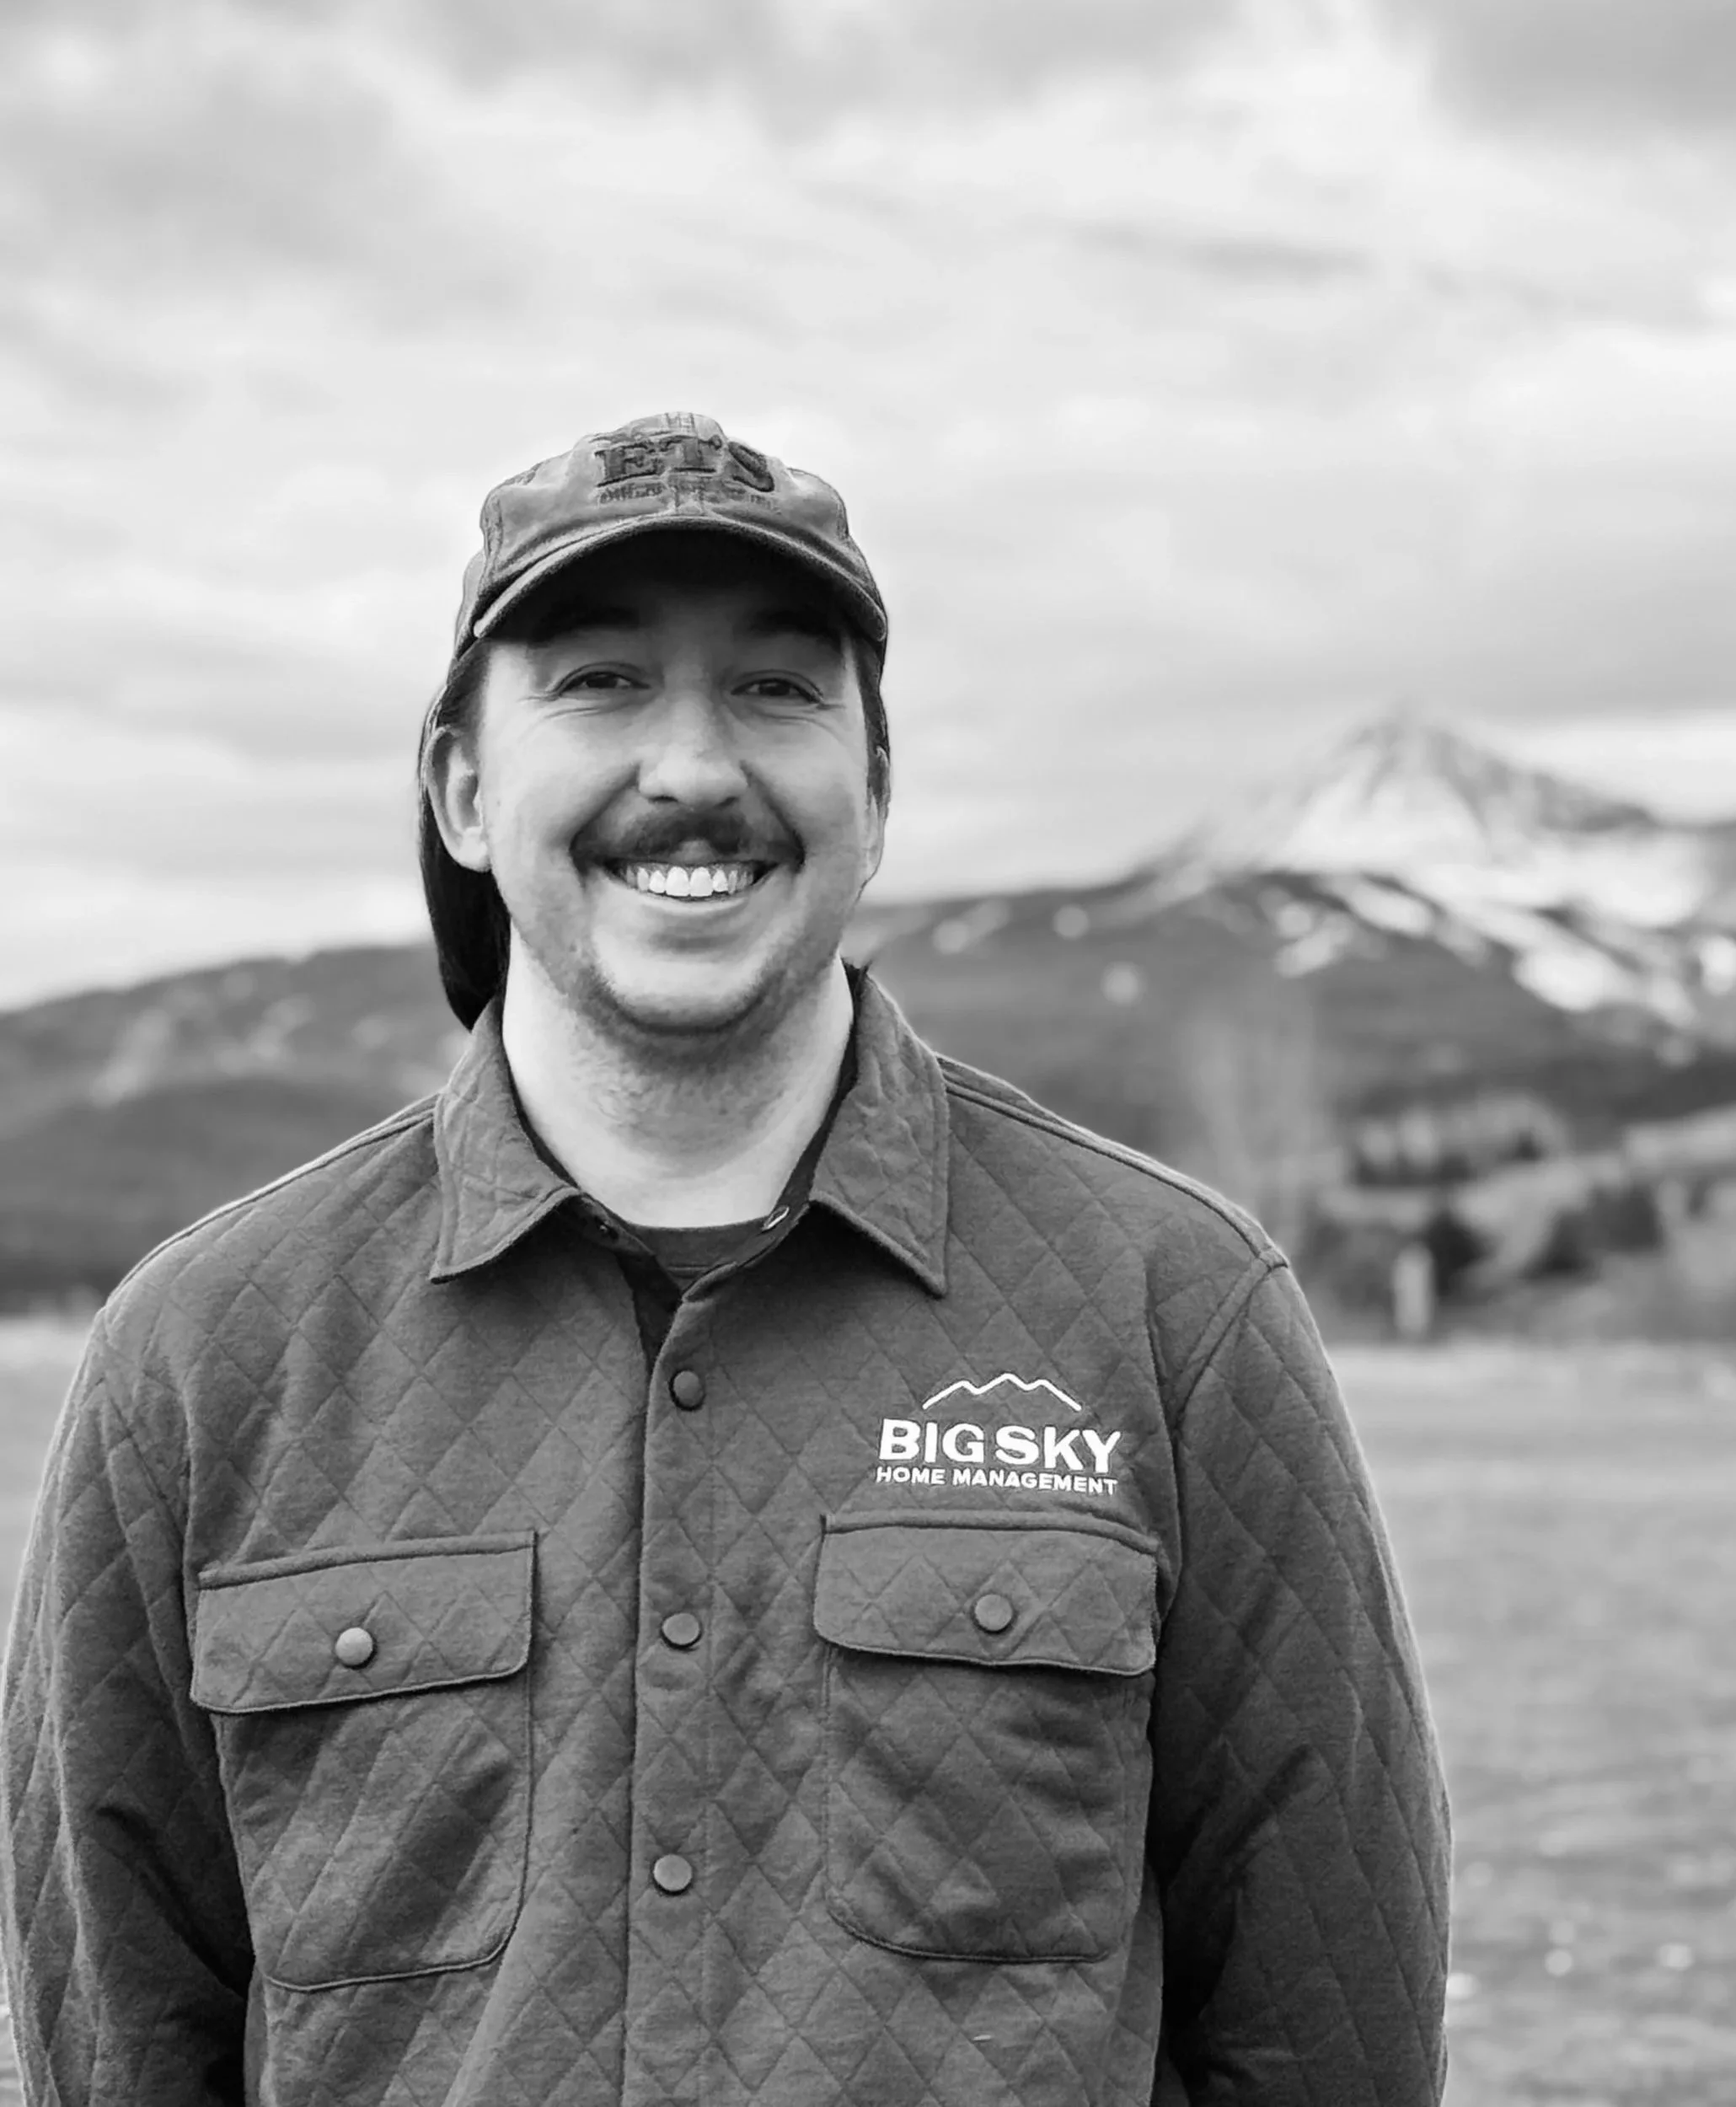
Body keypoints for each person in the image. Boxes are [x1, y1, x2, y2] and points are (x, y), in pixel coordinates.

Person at [0, 413, 1450, 2104]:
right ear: (464, 788)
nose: (691, 766)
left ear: (876, 791)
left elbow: (1323, 2036)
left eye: (775, 688)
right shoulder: (200, 1357)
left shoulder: (1172, 1314)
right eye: (601, 681)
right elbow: (111, 2045)